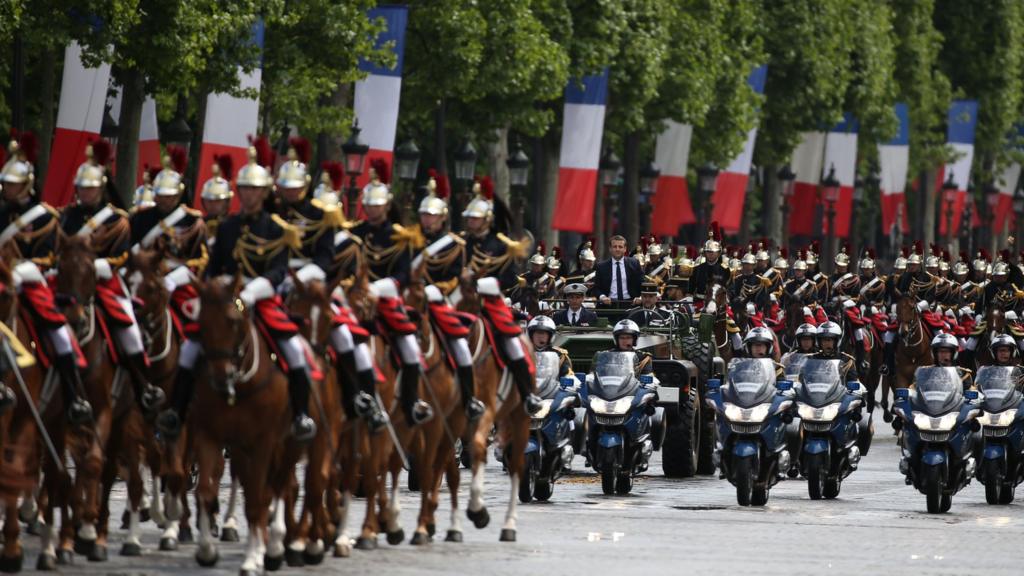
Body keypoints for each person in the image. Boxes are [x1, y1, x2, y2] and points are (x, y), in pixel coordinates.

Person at [157, 137, 316, 441]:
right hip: (224, 303)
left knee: (295, 351)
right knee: (189, 349)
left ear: (265, 191)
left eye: (254, 189)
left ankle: (300, 415)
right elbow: (214, 266)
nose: (249, 195)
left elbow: (279, 270)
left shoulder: (278, 228)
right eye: (244, 189)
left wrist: (251, 293)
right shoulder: (227, 227)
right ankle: (175, 412)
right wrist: (215, 287)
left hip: (261, 301)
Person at [61, 140, 166, 419]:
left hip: (104, 281)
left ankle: (143, 385)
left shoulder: (117, 219)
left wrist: (94, 267)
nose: (86, 192)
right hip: (71, 282)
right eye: (82, 187)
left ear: (102, 188)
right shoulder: (66, 217)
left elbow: (121, 257)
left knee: (129, 329)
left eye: (91, 188)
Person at [0, 132, 88, 420]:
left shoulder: (45, 216)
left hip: (30, 279)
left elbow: (49, 257)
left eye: (13, 184)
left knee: (59, 332)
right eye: (6, 184)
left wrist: (18, 270)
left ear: (26, 184)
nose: (8, 189)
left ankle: (74, 397)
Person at [414, 174, 486, 422]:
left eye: (431, 215)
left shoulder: (454, 244)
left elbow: (455, 276)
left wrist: (432, 290)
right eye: (424, 215)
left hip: (438, 299)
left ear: (442, 217)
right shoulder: (409, 239)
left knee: (460, 348)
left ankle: (469, 400)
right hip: (410, 299)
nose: (427, 219)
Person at [690, 222, 732, 304]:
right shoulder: (698, 268)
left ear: (718, 253)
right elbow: (691, 287)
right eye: (708, 252)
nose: (710, 254)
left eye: (713, 252)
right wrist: (689, 296)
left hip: (718, 303)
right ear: (704, 253)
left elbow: (730, 288)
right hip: (699, 302)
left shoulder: (724, 269)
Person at [595, 235, 643, 305]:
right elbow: (596, 288)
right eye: (615, 247)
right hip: (609, 305)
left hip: (631, 303)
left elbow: (642, 283)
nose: (617, 249)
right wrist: (603, 297)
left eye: (620, 247)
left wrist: (640, 297)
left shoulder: (634, 263)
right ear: (610, 248)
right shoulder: (601, 266)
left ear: (625, 249)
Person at [200, 154, 235, 243]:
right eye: (210, 201)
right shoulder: (198, 225)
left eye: (218, 201)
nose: (213, 205)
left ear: (227, 201)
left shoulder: (234, 226)